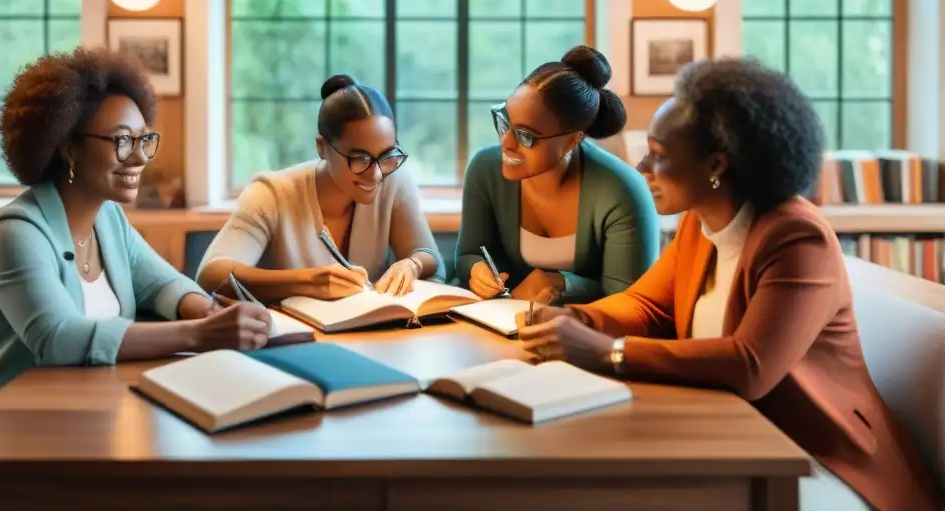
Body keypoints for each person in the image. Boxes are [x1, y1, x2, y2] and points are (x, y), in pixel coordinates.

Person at [516, 57, 940, 511]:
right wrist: (576, 320)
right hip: (740, 436)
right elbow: (649, 307)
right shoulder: (700, 224)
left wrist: (605, 351)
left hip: (821, 459)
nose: (641, 166)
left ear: (716, 164)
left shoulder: (796, 237)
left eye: (659, 155)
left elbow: (750, 364)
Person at [0, 48, 272, 450]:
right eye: (123, 141)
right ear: (68, 148)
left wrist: (208, 309)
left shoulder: (108, 221)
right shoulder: (15, 234)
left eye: (144, 140)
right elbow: (59, 339)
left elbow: (160, 284)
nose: (139, 157)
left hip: (59, 419)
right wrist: (199, 334)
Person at [196, 75, 445, 302]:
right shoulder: (271, 194)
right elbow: (212, 274)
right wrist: (307, 282)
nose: (376, 173)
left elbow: (430, 258)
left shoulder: (394, 182)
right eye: (360, 158)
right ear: (322, 148)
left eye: (387, 156)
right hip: (288, 342)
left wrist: (412, 264)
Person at [455, 45, 659, 305]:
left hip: (586, 338)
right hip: (499, 329)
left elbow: (631, 300)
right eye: (505, 121)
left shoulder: (622, 190)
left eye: (525, 135)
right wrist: (476, 270)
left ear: (572, 140)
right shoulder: (485, 169)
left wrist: (563, 284)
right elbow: (469, 254)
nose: (506, 142)